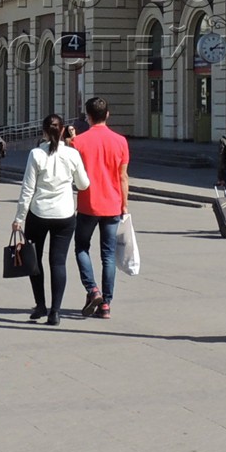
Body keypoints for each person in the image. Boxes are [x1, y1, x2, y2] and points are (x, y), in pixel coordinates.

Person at [12, 113, 90, 326]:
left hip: (38, 214)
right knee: (58, 262)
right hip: (64, 215)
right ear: (63, 130)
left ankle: (40, 305)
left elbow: (27, 189)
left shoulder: (36, 154)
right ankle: (55, 311)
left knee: (34, 261)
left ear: (44, 131)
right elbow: (83, 184)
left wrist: (19, 218)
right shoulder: (72, 154)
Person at [72, 96, 130, 320]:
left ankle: (92, 289)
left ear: (87, 117)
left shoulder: (78, 142)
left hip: (88, 205)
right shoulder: (120, 141)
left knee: (81, 248)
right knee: (108, 255)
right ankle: (106, 303)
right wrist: (124, 204)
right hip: (113, 204)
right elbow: (123, 176)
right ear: (107, 114)